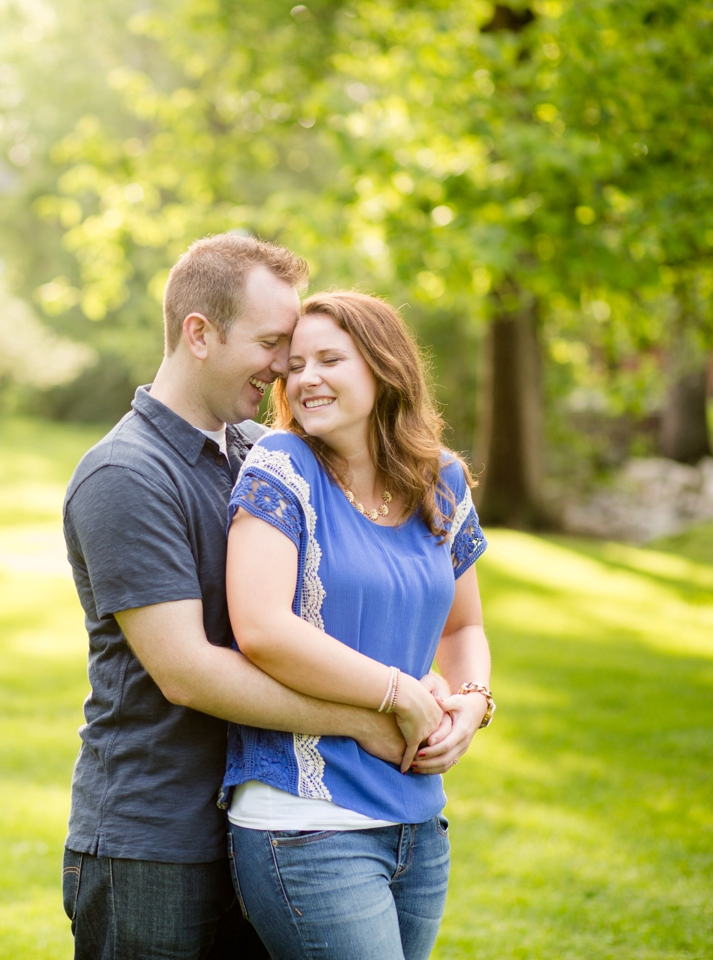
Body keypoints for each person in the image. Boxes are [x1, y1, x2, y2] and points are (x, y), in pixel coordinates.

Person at [60, 235, 468, 960]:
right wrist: (366, 717)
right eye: (273, 343)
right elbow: (186, 670)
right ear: (200, 334)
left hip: (262, 826)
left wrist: (449, 689)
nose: (285, 366)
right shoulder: (125, 475)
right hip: (155, 838)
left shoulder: (264, 455)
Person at [222, 290, 494, 960]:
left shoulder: (443, 481)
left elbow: (462, 630)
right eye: (297, 364)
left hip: (419, 824)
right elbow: (260, 628)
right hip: (307, 824)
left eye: (330, 359)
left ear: (383, 367)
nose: (305, 376)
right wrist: (400, 692)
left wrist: (471, 702)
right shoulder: (282, 468)